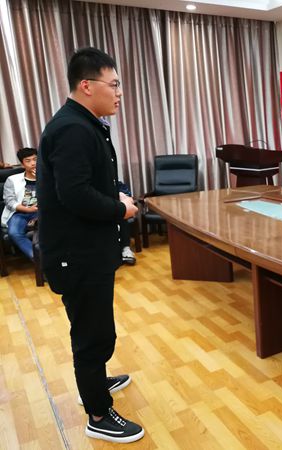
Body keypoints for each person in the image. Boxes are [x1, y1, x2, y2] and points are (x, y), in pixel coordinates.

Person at [37, 47, 143, 443]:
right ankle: (98, 413)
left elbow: (87, 182)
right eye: (113, 84)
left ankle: (95, 381)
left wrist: (115, 196)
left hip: (87, 251)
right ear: (86, 85)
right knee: (91, 334)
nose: (119, 93)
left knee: (97, 328)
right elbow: (75, 195)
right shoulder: (73, 129)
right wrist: (120, 208)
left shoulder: (82, 123)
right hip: (76, 255)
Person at [1, 147, 38, 260]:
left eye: (35, 159)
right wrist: (28, 209)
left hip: (42, 212)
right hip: (20, 213)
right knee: (14, 233)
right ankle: (39, 260)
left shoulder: (47, 177)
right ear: (22, 164)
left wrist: (41, 179)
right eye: (28, 161)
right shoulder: (12, 180)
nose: (33, 163)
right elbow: (9, 201)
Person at [117, 181, 136, 265]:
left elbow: (128, 197)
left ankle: (126, 249)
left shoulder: (118, 184)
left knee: (123, 215)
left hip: (117, 211)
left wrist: (121, 195)